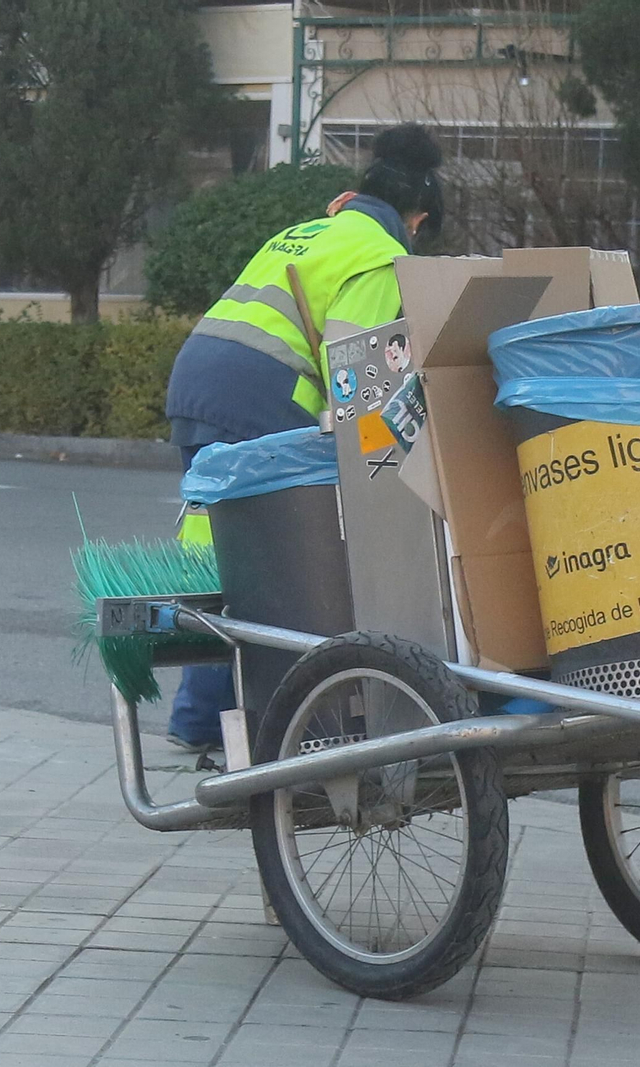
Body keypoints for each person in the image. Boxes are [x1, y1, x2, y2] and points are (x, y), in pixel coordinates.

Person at [162, 124, 445, 751]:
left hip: (197, 382)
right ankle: (280, 730)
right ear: (416, 218)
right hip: (265, 395)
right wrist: (390, 461)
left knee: (220, 552)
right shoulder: (379, 257)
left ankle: (200, 723)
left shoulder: (310, 231)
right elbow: (358, 381)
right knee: (282, 567)